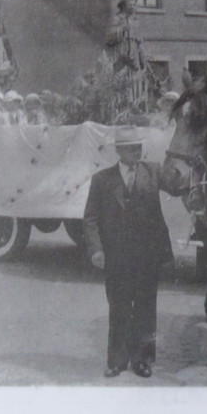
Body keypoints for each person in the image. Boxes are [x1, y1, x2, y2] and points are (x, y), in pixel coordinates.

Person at [84, 127, 173, 379]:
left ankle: (143, 360)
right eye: (132, 147)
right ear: (119, 150)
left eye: (140, 146)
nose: (138, 151)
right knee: (119, 307)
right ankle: (116, 361)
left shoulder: (153, 171)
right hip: (117, 257)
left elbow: (177, 185)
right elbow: (90, 218)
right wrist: (96, 249)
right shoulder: (102, 180)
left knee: (146, 307)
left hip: (147, 255)